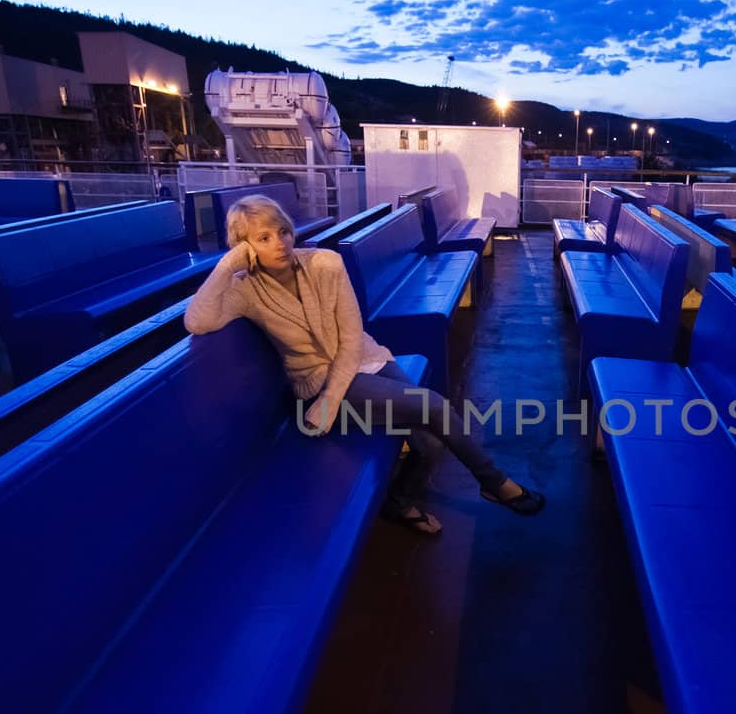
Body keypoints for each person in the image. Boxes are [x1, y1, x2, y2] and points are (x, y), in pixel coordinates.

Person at [184, 194, 545, 535]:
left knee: (430, 444)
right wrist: (229, 263)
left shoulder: (325, 264)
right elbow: (197, 321)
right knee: (433, 405)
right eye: (263, 238)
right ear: (245, 248)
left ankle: (399, 504)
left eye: (283, 231)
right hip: (319, 384)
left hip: (363, 360)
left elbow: (353, 336)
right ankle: (494, 483)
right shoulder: (245, 290)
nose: (280, 242)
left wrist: (332, 402)